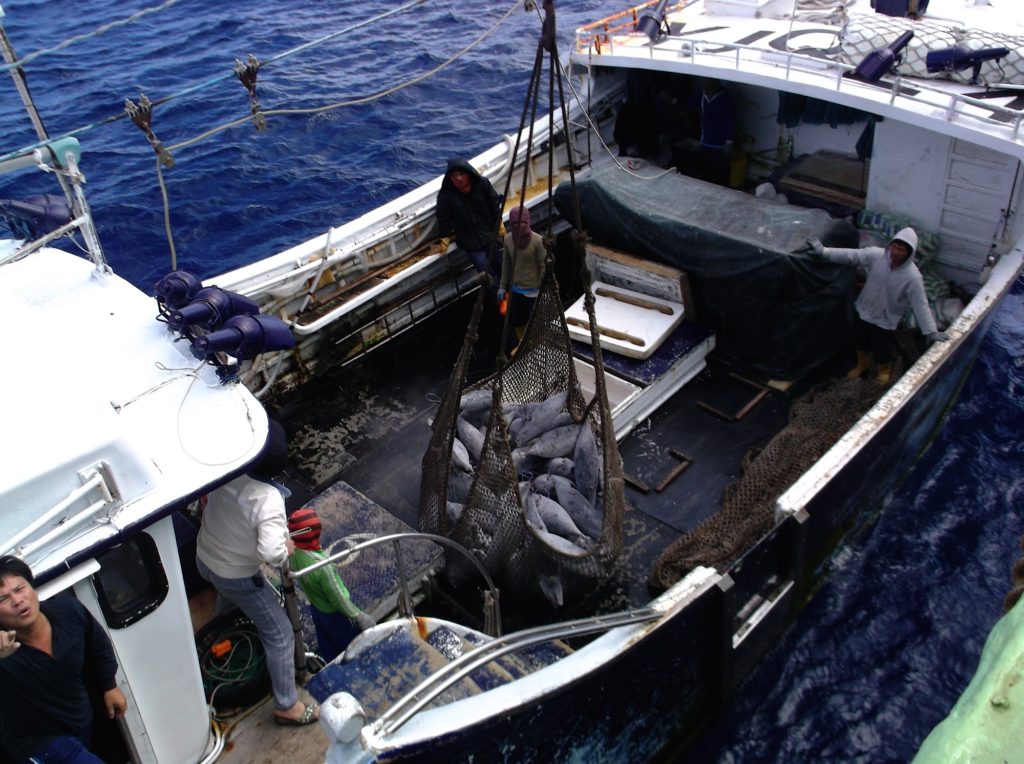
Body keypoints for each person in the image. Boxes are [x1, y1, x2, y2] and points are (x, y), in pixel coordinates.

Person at [195, 420, 318, 726]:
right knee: (280, 634)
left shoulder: (226, 469)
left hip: (204, 558)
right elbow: (271, 553)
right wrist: (286, 547)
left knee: (230, 597)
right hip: (234, 573)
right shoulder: (268, 500)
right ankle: (287, 704)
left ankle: (225, 630)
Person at [0, 555, 128, 763]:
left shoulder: (69, 611)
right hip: (39, 743)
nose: (17, 601)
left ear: (33, 588)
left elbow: (98, 644)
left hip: (80, 722)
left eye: (19, 589)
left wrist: (109, 685)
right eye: (2, 599)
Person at [806, 227, 948, 384]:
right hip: (864, 309)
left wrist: (931, 331)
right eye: (895, 247)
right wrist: (824, 252)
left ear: (909, 253)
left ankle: (884, 370)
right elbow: (853, 255)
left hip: (885, 319)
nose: (896, 252)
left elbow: (920, 304)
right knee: (860, 339)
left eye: (902, 250)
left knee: (882, 347)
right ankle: (862, 364)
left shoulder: (912, 277)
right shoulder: (877, 256)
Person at [286, 507, 375, 663]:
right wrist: (358, 616)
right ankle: (357, 665)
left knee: (326, 641)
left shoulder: (293, 553)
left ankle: (330, 664)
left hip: (316, 607)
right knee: (350, 645)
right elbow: (337, 597)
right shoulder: (323, 566)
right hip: (334, 614)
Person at [435, 157, 502, 276]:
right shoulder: (445, 197)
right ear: (450, 178)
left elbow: (494, 204)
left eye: (461, 174)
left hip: (489, 235)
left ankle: (510, 290)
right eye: (454, 176)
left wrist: (499, 223)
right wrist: (445, 237)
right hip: (470, 244)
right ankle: (498, 293)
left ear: (468, 174)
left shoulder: (482, 184)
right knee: (486, 273)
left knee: (501, 265)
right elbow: (443, 218)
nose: (458, 178)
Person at [498, 205, 547, 343]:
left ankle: (539, 343)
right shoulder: (507, 240)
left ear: (528, 222)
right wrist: (502, 286)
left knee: (537, 322)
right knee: (517, 320)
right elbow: (506, 264)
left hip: (534, 291)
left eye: (522, 222)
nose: (519, 226)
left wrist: (545, 287)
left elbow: (544, 266)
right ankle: (523, 342)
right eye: (515, 223)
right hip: (515, 289)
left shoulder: (538, 241)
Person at [674, 78, 736, 186]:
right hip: (705, 142)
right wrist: (672, 101)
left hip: (720, 145)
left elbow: (731, 122)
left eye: (707, 84)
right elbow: (688, 104)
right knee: (707, 174)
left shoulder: (726, 99)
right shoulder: (702, 96)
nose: (704, 88)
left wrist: (729, 142)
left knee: (721, 177)